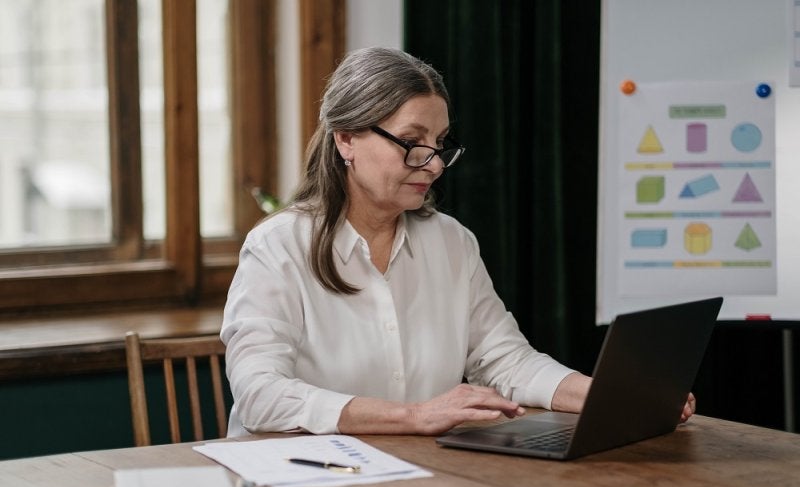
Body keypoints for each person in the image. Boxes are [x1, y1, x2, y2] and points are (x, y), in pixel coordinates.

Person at [221, 47, 694, 437]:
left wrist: (611, 396)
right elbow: (260, 395)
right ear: (346, 139)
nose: (433, 164)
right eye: (412, 141)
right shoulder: (277, 247)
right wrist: (412, 417)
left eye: (441, 142)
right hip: (297, 486)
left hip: (415, 479)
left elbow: (506, 361)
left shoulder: (451, 242)